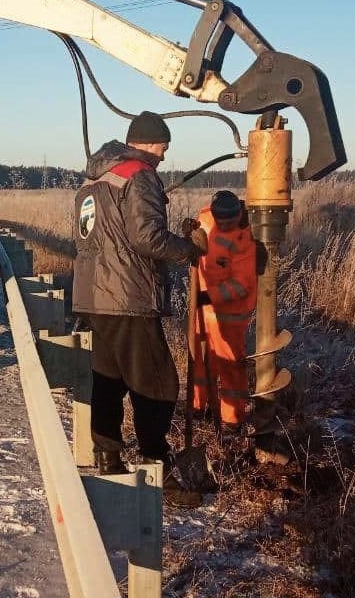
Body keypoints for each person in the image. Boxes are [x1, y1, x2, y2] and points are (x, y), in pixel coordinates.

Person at [72, 110, 207, 505]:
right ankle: (156, 469)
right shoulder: (140, 175)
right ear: (148, 142)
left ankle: (109, 460)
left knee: (108, 381)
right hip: (129, 296)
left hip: (94, 297)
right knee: (157, 383)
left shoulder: (93, 180)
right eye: (163, 145)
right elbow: (147, 238)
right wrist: (189, 251)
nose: (165, 154)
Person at [185, 190, 257, 432]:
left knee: (230, 367)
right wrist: (188, 231)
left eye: (230, 223)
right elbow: (197, 237)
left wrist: (210, 296)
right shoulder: (205, 218)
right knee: (199, 363)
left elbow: (243, 284)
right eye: (221, 222)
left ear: (239, 216)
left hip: (229, 317)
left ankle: (231, 420)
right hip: (201, 310)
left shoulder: (244, 240)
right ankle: (197, 407)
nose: (225, 226)